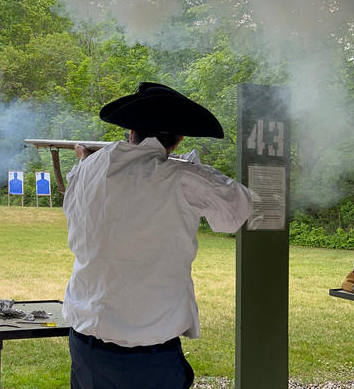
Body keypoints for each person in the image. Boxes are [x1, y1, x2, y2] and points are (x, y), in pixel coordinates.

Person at [63, 82, 252, 389]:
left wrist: (88, 159)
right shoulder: (180, 178)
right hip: (145, 359)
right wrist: (188, 167)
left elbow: (77, 196)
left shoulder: (87, 169)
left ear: (130, 132)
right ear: (177, 141)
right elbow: (236, 210)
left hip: (84, 344)